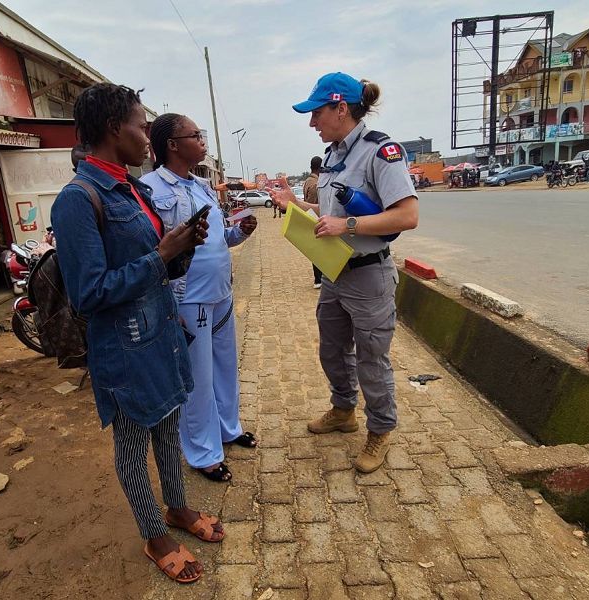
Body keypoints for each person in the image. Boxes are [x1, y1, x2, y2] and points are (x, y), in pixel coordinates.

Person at [51, 83, 221, 585]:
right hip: (123, 346)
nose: (148, 135)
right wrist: (162, 255)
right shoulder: (78, 201)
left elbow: (156, 265)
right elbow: (89, 292)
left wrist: (183, 247)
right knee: (131, 443)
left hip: (162, 333)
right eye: (141, 125)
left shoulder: (134, 188)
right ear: (112, 129)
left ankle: (177, 508)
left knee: (168, 428)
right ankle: (153, 533)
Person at [269, 72, 418, 473]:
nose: (312, 122)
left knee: (372, 358)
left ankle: (381, 430)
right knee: (332, 349)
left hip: (369, 275)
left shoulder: (380, 151)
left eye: (317, 113)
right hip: (336, 272)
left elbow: (407, 215)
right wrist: (295, 206)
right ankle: (343, 410)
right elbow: (332, 216)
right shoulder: (336, 155)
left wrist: (347, 227)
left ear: (340, 108)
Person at [142, 114, 258, 484]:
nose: (202, 140)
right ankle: (203, 452)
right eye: (195, 135)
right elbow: (153, 250)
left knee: (225, 367)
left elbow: (218, 236)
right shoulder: (150, 189)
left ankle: (228, 429)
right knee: (198, 377)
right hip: (187, 297)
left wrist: (238, 231)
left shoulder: (202, 186)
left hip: (221, 293)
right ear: (173, 145)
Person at [304, 156, 323, 288]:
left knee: (315, 249)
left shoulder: (307, 181)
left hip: (308, 217)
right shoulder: (316, 184)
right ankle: (319, 279)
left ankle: (318, 278)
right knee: (320, 249)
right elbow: (315, 204)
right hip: (316, 218)